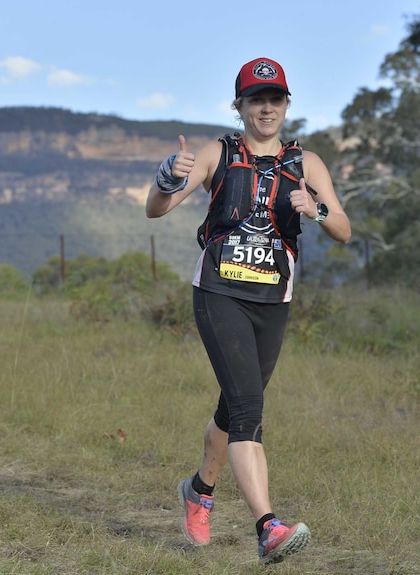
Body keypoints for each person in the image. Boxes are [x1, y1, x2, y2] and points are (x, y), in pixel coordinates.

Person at [145, 57, 351, 564]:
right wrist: (168, 177)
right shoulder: (219, 153)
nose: (266, 108)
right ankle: (267, 527)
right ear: (239, 106)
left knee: (236, 403)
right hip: (219, 294)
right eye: (256, 99)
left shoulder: (308, 164)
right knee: (249, 412)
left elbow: (344, 228)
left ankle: (199, 492)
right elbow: (155, 209)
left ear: (286, 105)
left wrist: (316, 209)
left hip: (272, 302)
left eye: (275, 98)